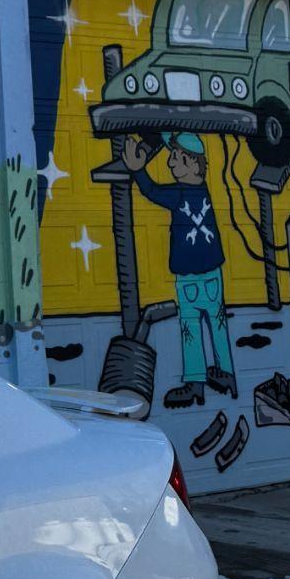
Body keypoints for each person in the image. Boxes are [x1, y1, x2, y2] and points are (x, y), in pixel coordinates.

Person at [118, 129, 236, 407]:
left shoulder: (181, 193)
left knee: (191, 327)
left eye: (177, 157)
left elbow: (151, 191)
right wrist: (163, 127)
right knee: (215, 324)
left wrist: (138, 170)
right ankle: (226, 374)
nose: (171, 162)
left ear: (194, 164)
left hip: (189, 277)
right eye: (172, 156)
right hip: (211, 273)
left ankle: (196, 382)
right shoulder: (200, 190)